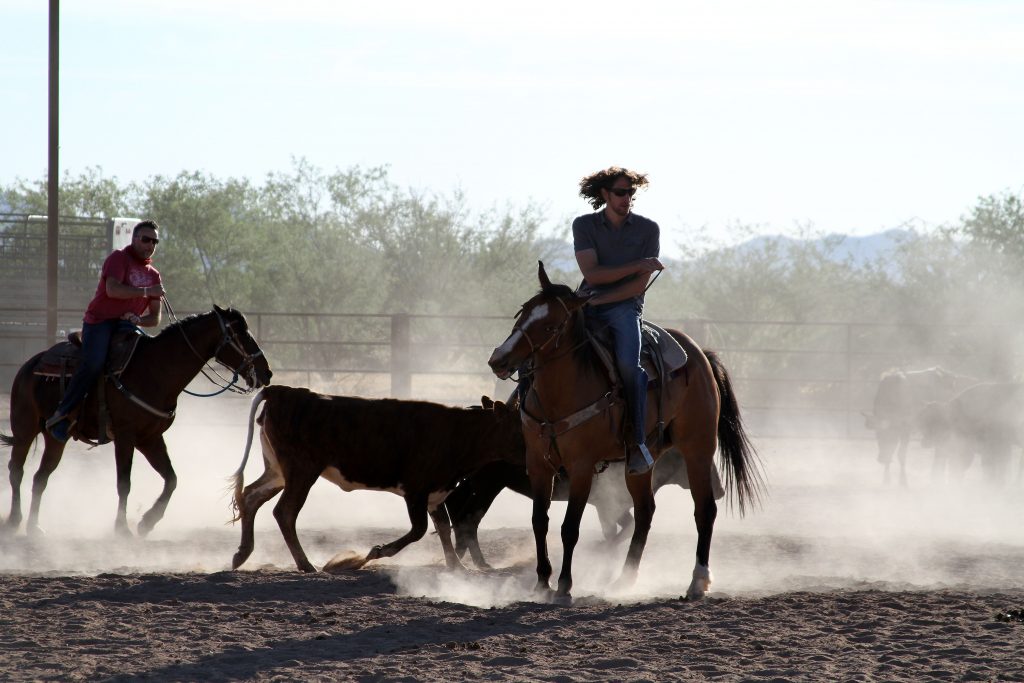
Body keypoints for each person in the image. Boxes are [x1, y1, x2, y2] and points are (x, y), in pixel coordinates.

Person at [572, 167, 664, 475]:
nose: (627, 199)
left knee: (629, 366)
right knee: (539, 341)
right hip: (586, 300)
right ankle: (520, 425)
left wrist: (601, 300)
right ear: (605, 195)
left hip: (624, 308)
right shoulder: (584, 225)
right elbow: (593, 274)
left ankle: (637, 442)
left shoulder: (648, 230)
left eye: (631, 194)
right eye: (621, 193)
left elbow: (638, 287)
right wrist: (639, 264)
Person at [46, 220, 166, 442]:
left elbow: (155, 317)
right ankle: (62, 414)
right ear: (134, 239)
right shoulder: (119, 258)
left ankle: (134, 414)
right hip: (100, 322)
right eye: (146, 239)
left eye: (154, 241)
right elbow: (112, 290)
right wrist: (147, 291)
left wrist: (139, 319)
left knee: (146, 364)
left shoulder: (154, 275)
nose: (150, 244)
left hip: (128, 327)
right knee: (93, 363)